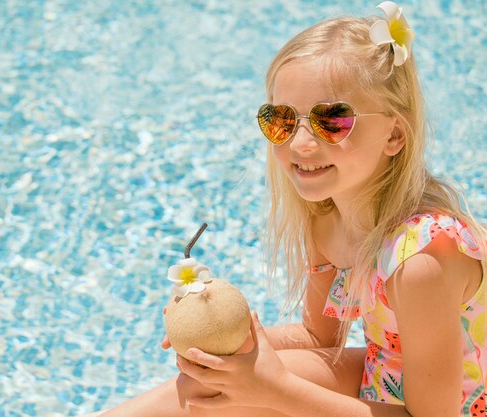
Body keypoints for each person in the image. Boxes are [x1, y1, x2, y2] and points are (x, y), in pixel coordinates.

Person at [88, 2, 486, 416]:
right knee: (210, 390)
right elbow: (319, 339)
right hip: (385, 375)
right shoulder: (328, 222)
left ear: (394, 134)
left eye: (331, 120)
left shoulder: (422, 260)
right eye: (281, 120)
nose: (299, 144)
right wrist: (219, 338)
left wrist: (274, 389)